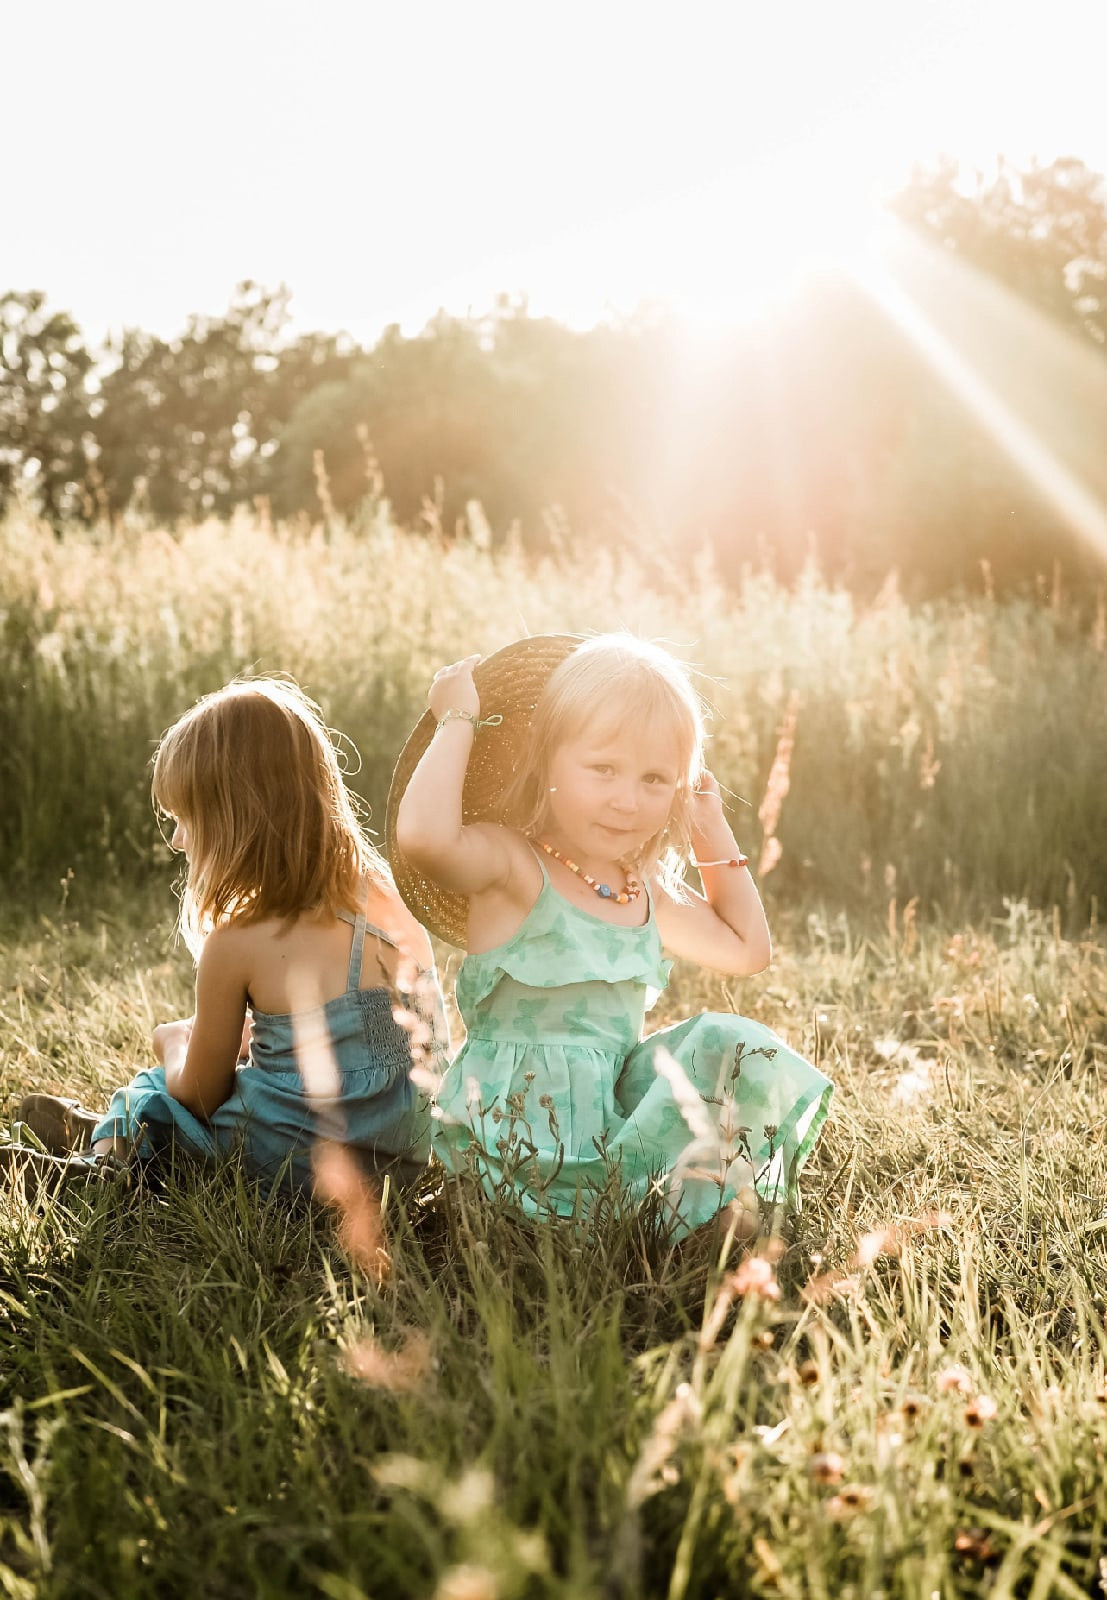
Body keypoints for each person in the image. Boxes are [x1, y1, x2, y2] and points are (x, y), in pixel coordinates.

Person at [388, 633, 832, 1239]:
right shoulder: (514, 868)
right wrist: (458, 718)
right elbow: (423, 838)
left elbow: (747, 950)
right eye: (603, 770)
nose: (627, 800)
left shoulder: (639, 888)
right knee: (522, 1219)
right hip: (516, 1140)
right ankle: (545, 1219)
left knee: (732, 1041)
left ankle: (690, 1221)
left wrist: (708, 823)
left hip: (610, 1128)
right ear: (546, 762)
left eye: (655, 780)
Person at [8, 677, 445, 1197]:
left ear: (234, 821)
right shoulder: (386, 896)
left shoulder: (238, 942)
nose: (176, 839)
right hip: (400, 1159)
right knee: (226, 1084)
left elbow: (199, 1093)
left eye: (185, 820)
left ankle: (103, 1167)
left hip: (297, 1167)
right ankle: (111, 1137)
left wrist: (172, 1041)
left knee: (154, 1091)